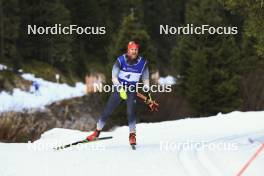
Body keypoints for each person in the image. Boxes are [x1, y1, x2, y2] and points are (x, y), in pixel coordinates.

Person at [86, 41, 150, 145]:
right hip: (119, 88)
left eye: (136, 50)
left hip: (132, 89)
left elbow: (146, 77)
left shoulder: (143, 62)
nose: (134, 52)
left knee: (131, 112)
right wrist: (120, 89)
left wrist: (146, 86)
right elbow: (114, 77)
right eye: (132, 50)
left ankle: (132, 135)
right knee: (108, 111)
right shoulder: (120, 60)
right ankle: (96, 132)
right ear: (128, 50)